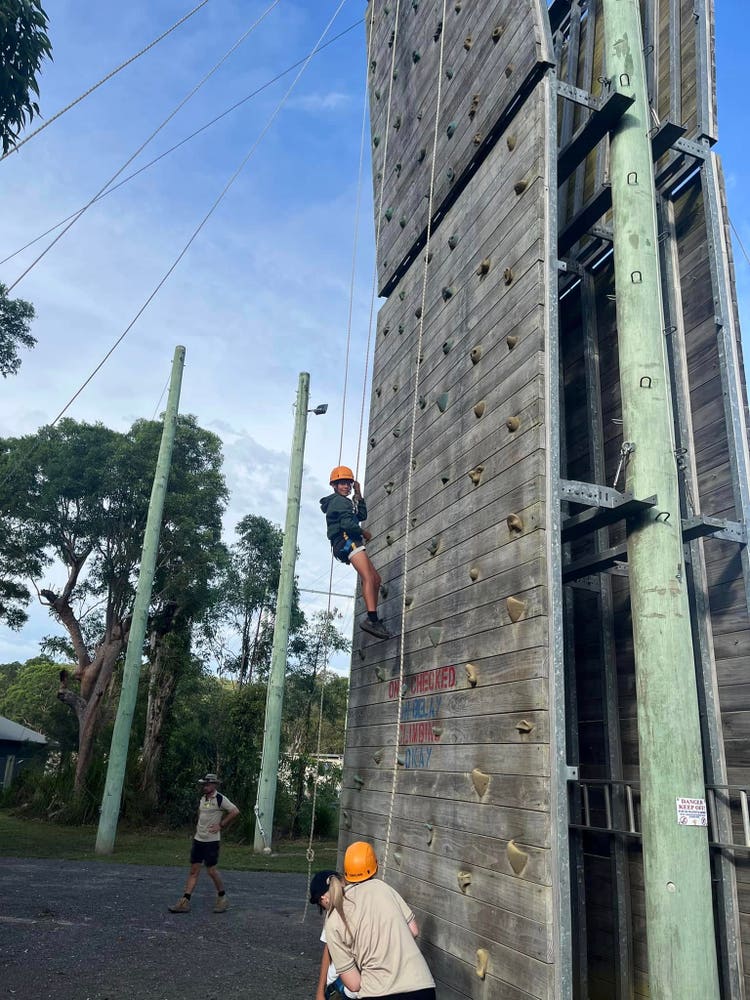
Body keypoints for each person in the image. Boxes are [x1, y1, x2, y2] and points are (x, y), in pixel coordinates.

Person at [324, 842, 436, 1000]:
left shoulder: (334, 919)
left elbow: (354, 984)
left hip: (378, 992)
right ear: (376, 866)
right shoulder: (384, 889)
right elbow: (413, 930)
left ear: (346, 873)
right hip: (421, 986)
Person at [320, 466, 390, 639]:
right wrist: (364, 533)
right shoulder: (339, 501)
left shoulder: (346, 501)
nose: (346, 486)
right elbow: (347, 525)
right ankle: (371, 619)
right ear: (334, 485)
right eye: (342, 483)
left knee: (376, 579)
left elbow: (361, 516)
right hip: (346, 540)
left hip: (349, 542)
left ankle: (372, 618)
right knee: (368, 577)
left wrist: (358, 495)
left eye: (348, 484)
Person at [168, 772, 239, 914]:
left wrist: (221, 825)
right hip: (198, 839)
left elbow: (235, 811)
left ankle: (222, 897)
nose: (204, 787)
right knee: (194, 870)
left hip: (211, 841)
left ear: (214, 785)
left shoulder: (219, 798)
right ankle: (184, 901)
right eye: (203, 784)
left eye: (207, 784)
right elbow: (201, 814)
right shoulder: (203, 799)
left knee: (211, 871)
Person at [310, 870, 358, 1000]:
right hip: (346, 984)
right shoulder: (334, 914)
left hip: (346, 986)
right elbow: (328, 949)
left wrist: (320, 990)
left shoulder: (334, 916)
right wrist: (320, 990)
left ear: (323, 899)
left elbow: (328, 951)